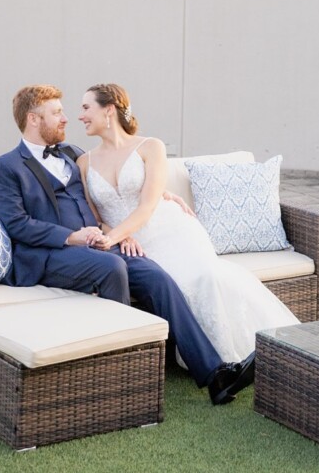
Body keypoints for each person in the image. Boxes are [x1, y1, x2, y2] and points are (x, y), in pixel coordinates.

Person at [0, 84, 255, 405]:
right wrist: (72, 237)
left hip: (100, 242)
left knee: (155, 275)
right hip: (50, 255)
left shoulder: (74, 155)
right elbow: (17, 225)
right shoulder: (6, 167)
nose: (65, 118)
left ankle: (215, 376)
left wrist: (118, 229)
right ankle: (125, 372)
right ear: (33, 119)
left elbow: (98, 204)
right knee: (112, 266)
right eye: (56, 113)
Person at [78, 83, 299, 364]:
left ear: (108, 110)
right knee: (174, 285)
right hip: (133, 244)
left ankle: (255, 350)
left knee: (207, 277)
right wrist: (119, 237)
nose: (80, 115)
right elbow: (96, 218)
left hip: (170, 230)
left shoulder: (150, 147)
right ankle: (217, 362)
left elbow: (147, 205)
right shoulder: (83, 162)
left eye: (86, 107)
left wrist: (113, 237)